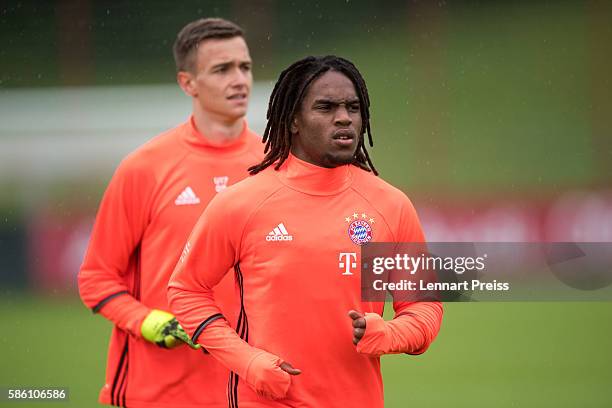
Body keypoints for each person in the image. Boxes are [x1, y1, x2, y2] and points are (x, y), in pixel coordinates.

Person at [168, 55, 443, 407]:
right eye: (325, 107)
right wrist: (248, 361)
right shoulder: (240, 203)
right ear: (294, 120)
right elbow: (186, 291)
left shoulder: (391, 205)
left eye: (353, 107)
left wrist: (389, 333)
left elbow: (425, 308)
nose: (343, 117)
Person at [78, 18, 263, 407]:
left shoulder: (274, 163)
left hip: (250, 392)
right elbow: (96, 278)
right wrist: (145, 321)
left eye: (245, 67)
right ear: (187, 83)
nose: (239, 79)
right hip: (157, 392)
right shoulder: (144, 168)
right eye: (222, 69)